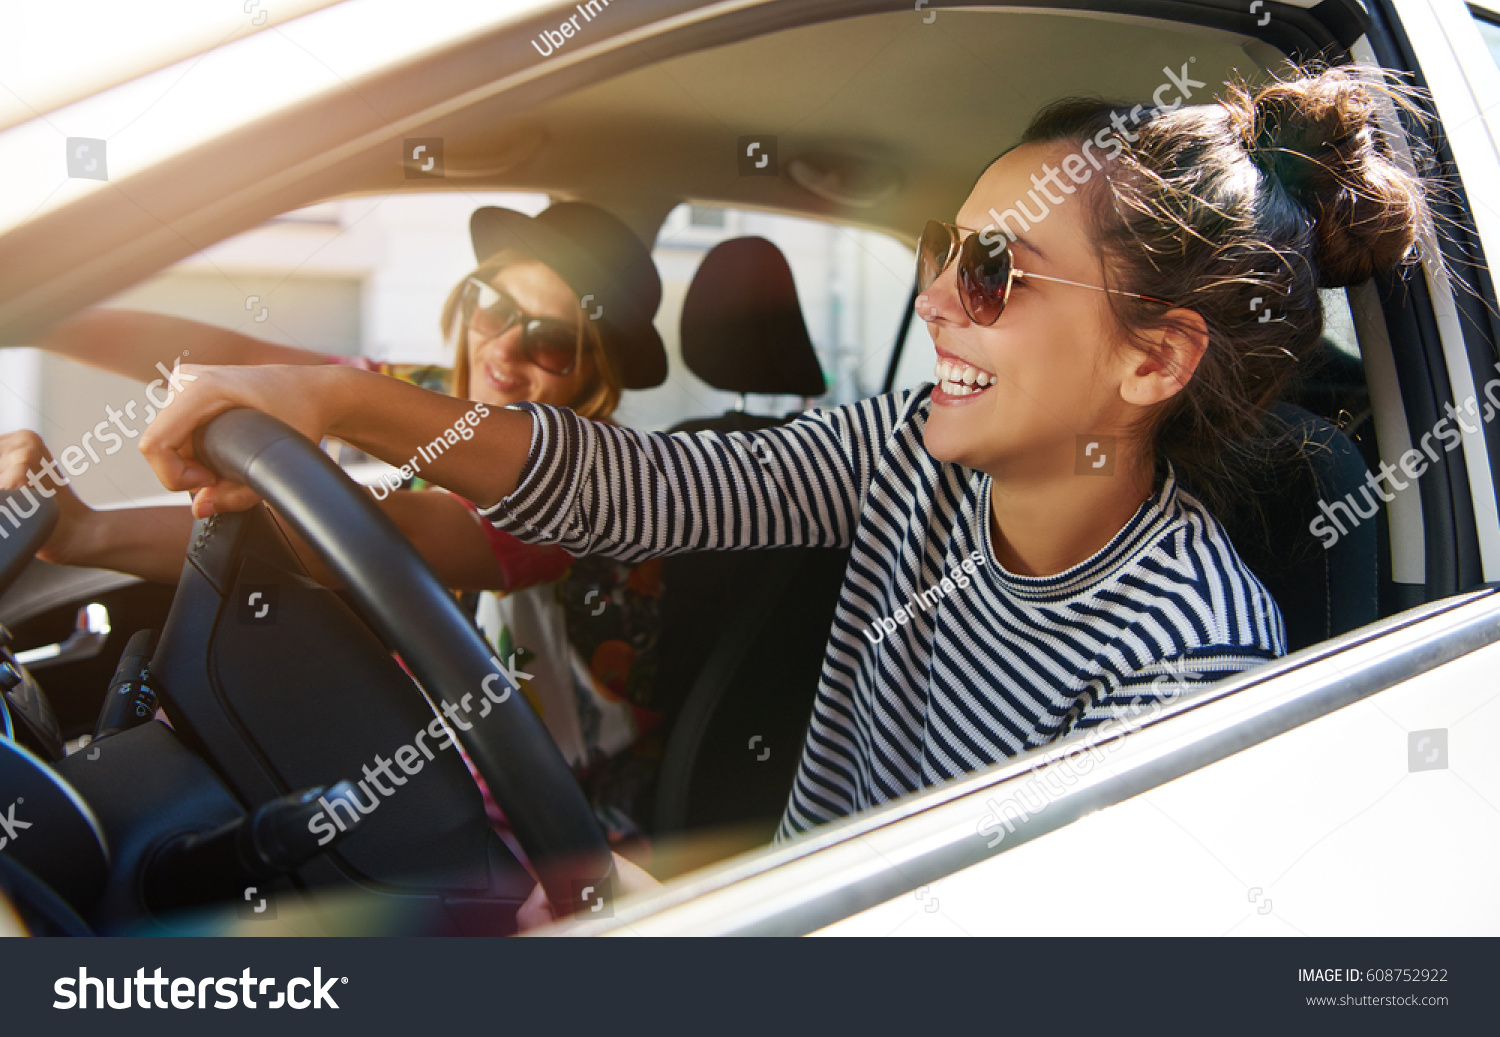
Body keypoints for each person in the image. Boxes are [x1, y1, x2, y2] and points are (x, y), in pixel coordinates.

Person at [133, 64, 1429, 923]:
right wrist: (334, 399)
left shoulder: (1190, 657)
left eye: (994, 270)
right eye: (939, 252)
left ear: (1151, 359)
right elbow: (639, 491)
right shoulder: (903, 450)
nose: (934, 301)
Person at [2, 202, 673, 844]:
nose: (503, 349)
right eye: (495, 306)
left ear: (594, 376)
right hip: (421, 755)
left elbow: (378, 540)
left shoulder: (587, 485)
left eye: (551, 341)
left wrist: (88, 531)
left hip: (543, 819)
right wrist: (42, 314)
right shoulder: (435, 392)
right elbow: (244, 361)